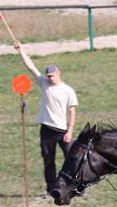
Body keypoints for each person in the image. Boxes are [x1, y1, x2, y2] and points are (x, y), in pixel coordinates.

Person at [13, 41, 78, 197]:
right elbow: (31, 67)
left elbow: (71, 111)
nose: (50, 78)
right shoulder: (43, 83)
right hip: (47, 130)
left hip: (63, 130)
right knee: (48, 161)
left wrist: (70, 131)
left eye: (53, 76)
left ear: (59, 73)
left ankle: (76, 187)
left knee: (72, 159)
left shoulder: (68, 90)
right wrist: (21, 50)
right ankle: (51, 189)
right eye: (48, 76)